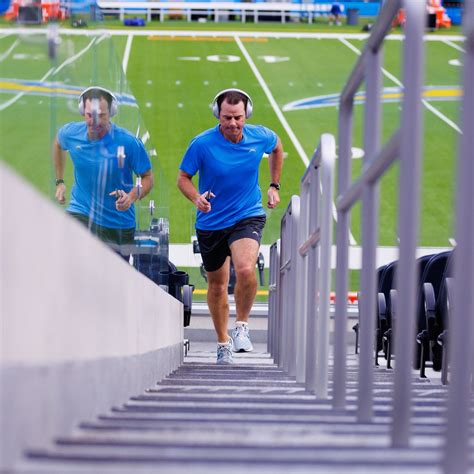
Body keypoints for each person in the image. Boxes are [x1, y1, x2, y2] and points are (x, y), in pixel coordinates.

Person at [177, 88, 284, 364]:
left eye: (238, 117)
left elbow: (277, 147)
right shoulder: (201, 144)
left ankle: (242, 326)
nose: (233, 124)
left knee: (247, 268)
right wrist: (196, 198)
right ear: (218, 115)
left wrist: (274, 185)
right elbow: (183, 178)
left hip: (247, 213)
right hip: (211, 221)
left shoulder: (260, 135)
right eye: (227, 118)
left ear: (246, 115)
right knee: (217, 285)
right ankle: (223, 342)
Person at [53, 86, 153, 256]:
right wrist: (59, 182)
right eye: (89, 115)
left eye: (101, 115)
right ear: (82, 112)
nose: (95, 121)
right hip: (81, 212)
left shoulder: (128, 142)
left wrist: (131, 197)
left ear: (111, 112)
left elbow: (147, 178)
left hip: (118, 224)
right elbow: (58, 143)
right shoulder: (71, 133)